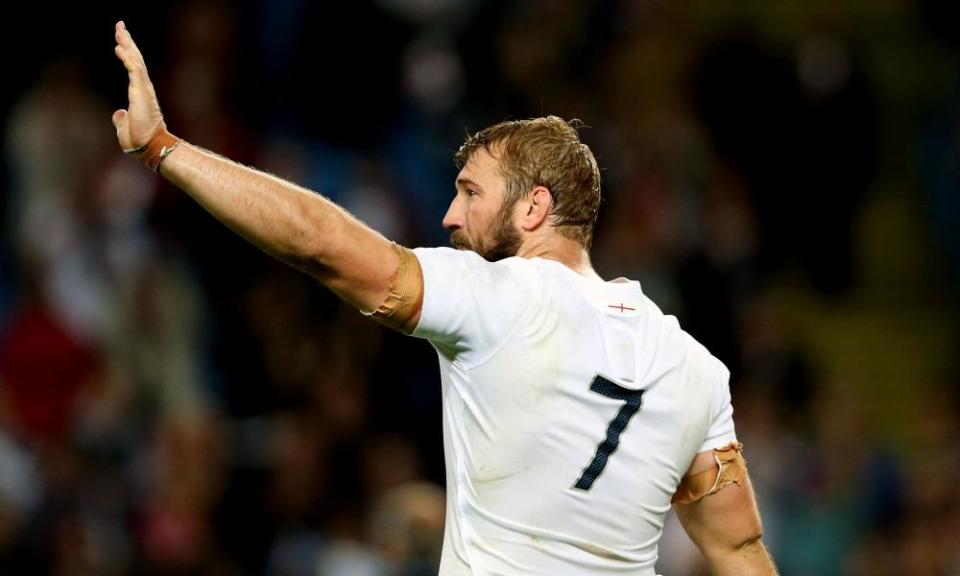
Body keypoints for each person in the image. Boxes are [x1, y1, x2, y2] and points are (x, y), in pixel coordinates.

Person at [111, 21, 778, 576]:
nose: (450, 217)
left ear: (534, 207)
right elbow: (739, 549)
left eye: (471, 192)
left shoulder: (496, 298)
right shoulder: (693, 368)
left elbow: (318, 241)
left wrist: (165, 150)